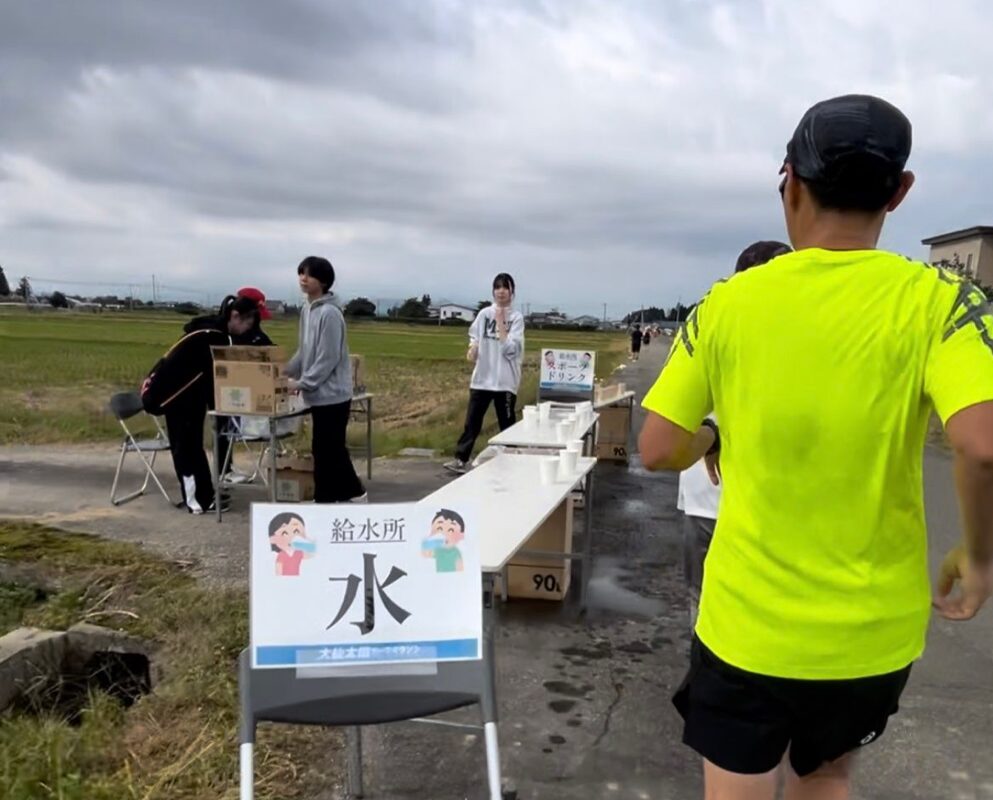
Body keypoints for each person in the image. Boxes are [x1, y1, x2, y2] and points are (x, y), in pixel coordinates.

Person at [638, 94, 993, 799]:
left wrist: (712, 434)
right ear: (899, 191)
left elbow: (656, 447)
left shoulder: (726, 302)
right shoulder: (943, 299)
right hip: (868, 633)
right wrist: (979, 557)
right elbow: (980, 445)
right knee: (827, 777)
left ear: (789, 184)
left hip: (746, 623)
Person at [677, 240, 791, 632]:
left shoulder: (710, 320)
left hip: (754, 498)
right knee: (708, 595)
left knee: (728, 598)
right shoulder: (720, 323)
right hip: (714, 497)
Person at [141, 295, 262, 514]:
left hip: (190, 396)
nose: (246, 330)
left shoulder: (208, 332)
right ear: (235, 316)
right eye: (246, 324)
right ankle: (197, 501)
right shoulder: (212, 338)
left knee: (193, 445)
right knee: (186, 447)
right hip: (177, 398)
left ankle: (205, 494)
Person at [286, 256, 366, 503]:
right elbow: (305, 349)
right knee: (329, 449)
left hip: (333, 394)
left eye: (308, 275)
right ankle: (346, 494)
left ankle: (332, 497)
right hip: (319, 394)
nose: (302, 279)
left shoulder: (330, 314)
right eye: (301, 273)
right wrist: (287, 371)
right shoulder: (307, 310)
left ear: (322, 281)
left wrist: (302, 383)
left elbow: (327, 357)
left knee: (327, 450)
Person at [185, 288, 275, 483]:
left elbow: (265, 345)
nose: (254, 323)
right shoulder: (224, 331)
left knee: (224, 430)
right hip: (211, 386)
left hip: (223, 386)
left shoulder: (244, 326)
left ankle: (224, 471)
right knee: (220, 430)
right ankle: (216, 479)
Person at [444, 273, 525, 474]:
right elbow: (474, 335)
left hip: (505, 381)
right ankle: (461, 459)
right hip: (482, 378)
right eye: (497, 287)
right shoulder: (483, 314)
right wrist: (473, 347)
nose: (501, 291)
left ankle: (511, 460)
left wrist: (500, 322)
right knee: (472, 421)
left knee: (506, 423)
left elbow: (511, 349)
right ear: (493, 291)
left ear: (512, 292)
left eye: (505, 287)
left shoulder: (516, 318)